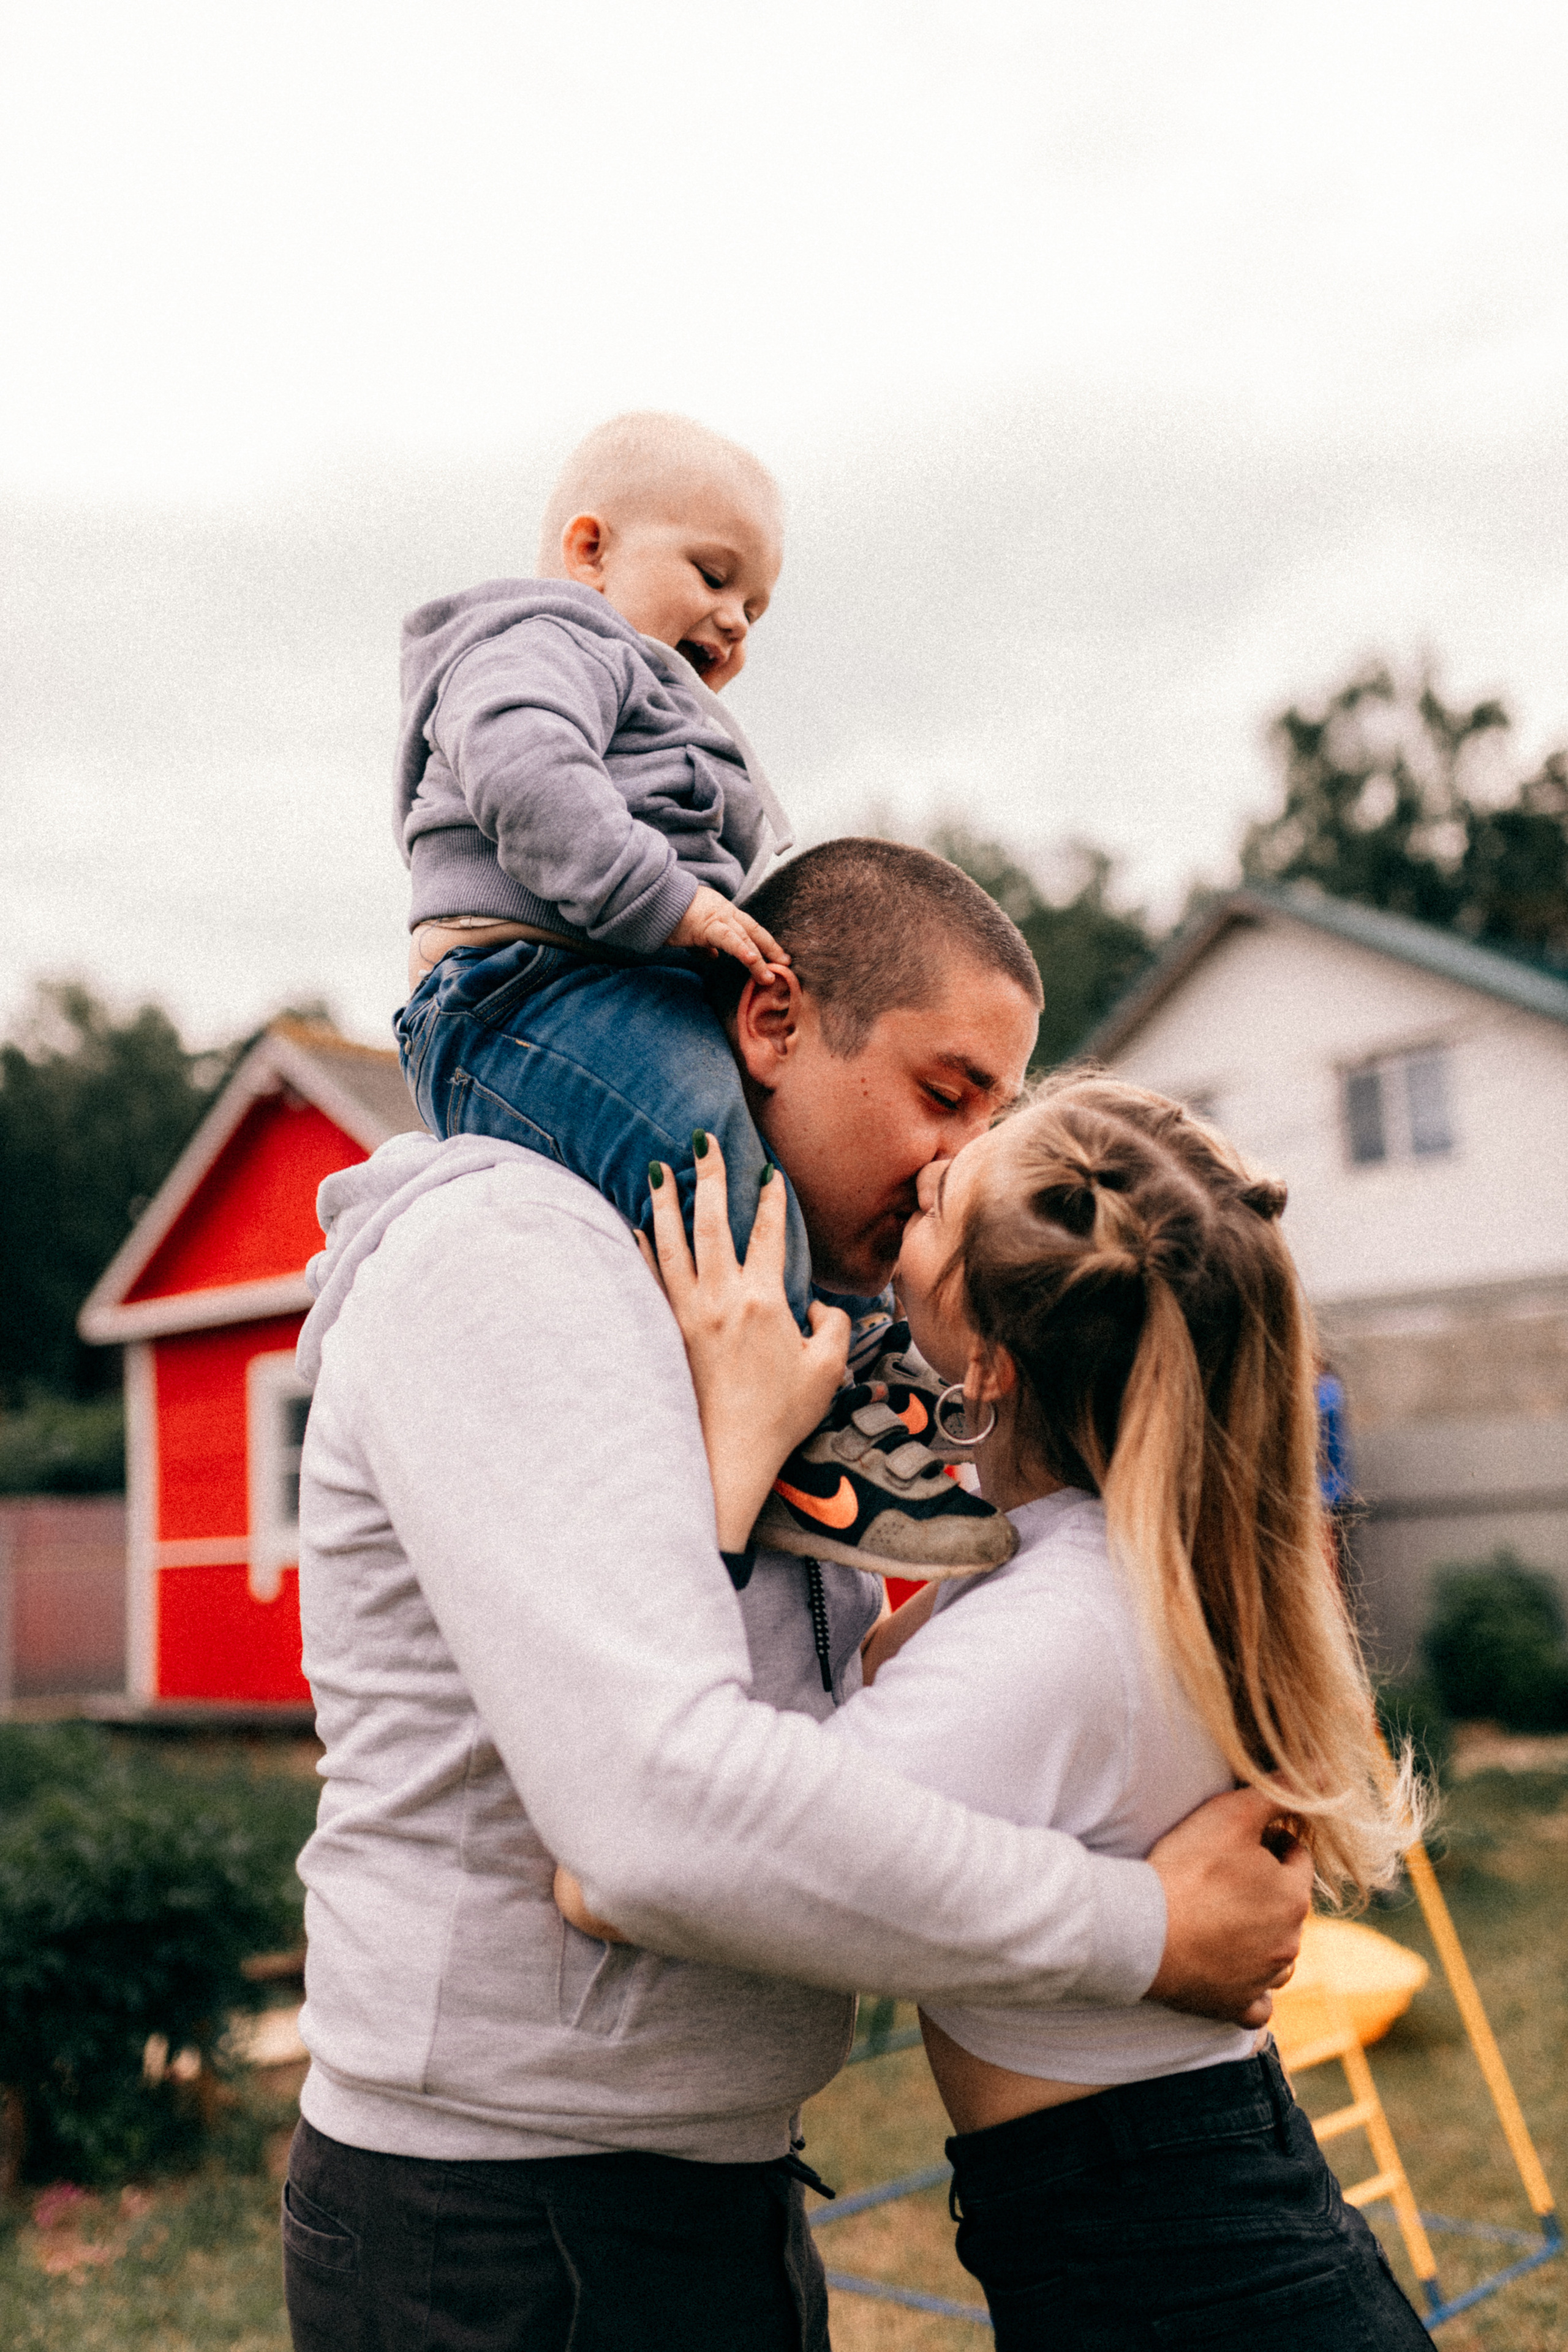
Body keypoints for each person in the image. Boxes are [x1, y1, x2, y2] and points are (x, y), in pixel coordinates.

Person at [284, 845, 1312, 2352]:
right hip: (509, 2219)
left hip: (711, 2187)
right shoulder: (517, 1262)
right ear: (770, 1020)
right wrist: (1142, 1929)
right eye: (945, 1094)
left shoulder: (777, 1310)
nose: (963, 1162)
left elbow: (806, 1742)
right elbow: (651, 1825)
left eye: (996, 1114)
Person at [609, 1072, 1430, 2348]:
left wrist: (727, 1464)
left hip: (1175, 2288)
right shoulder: (1115, 1559)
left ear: (988, 1359)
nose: (921, 1174)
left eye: (940, 1200)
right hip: (1194, 2225)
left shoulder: (1054, 1636)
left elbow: (657, 1860)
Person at [393, 413, 1010, 1576]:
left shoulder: (670, 705)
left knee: (788, 1153)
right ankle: (813, 1441)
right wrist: (673, 905)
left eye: (756, 609)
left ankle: (854, 1353)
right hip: (517, 995)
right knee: (706, 1145)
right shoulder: (539, 639)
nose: (734, 621)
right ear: (590, 550)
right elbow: (525, 774)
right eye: (714, 576)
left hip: (615, 989)